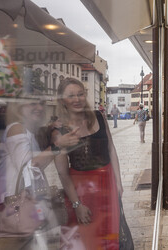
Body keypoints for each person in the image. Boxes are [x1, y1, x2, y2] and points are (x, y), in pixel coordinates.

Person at [53, 78, 129, 250]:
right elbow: (63, 173)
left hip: (106, 182)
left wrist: (118, 182)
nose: (77, 99)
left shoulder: (98, 116)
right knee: (84, 238)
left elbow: (111, 149)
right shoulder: (59, 130)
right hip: (80, 189)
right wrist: (76, 204)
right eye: (71, 95)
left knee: (108, 234)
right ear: (62, 100)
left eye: (80, 94)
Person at [0, 95, 79, 247]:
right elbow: (28, 166)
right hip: (11, 204)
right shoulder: (16, 128)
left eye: (41, 104)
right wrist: (58, 144)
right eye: (32, 104)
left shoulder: (27, 130)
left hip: (23, 202)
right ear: (19, 108)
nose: (39, 108)